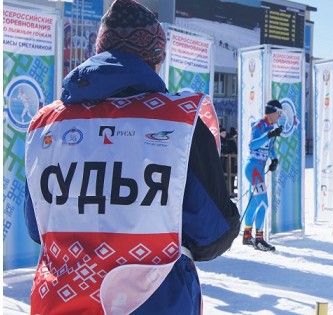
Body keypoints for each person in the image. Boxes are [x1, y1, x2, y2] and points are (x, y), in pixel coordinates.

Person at [23, 1, 240, 314]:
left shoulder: (48, 123)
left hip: (62, 301)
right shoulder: (178, 122)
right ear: (156, 58)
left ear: (98, 50)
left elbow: (38, 228)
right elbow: (213, 232)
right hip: (155, 301)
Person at [242, 100, 283, 251]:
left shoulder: (271, 126)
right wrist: (269, 134)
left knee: (254, 202)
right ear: (272, 112)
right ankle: (259, 239)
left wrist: (274, 158)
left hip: (259, 169)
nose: (279, 117)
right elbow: (252, 145)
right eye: (279, 113)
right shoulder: (259, 125)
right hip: (252, 168)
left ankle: (247, 235)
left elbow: (269, 146)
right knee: (263, 203)